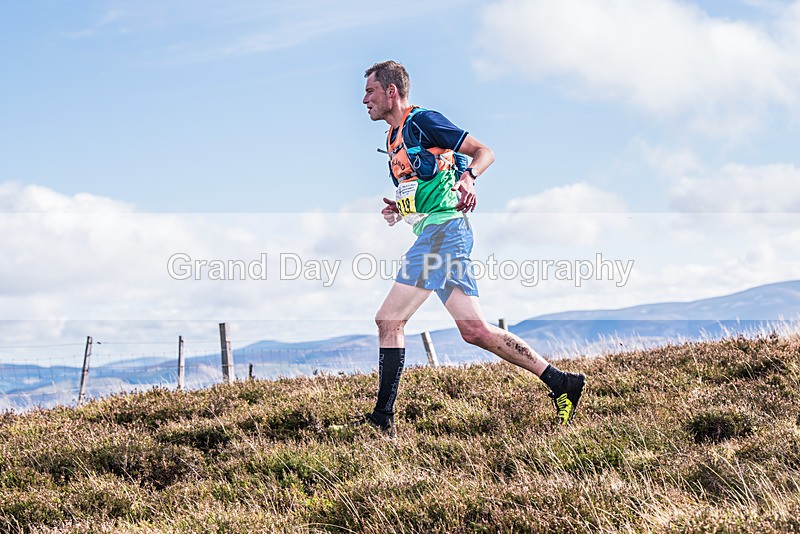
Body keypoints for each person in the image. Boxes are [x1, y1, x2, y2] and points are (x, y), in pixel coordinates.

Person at [359, 60, 585, 436]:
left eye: (370, 91)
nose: (364, 99)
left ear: (391, 92)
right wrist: (400, 208)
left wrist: (470, 178)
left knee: (389, 320)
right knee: (475, 330)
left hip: (444, 234)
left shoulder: (422, 121)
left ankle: (382, 422)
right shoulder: (392, 138)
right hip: (439, 231)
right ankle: (563, 383)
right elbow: (426, 185)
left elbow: (484, 151)